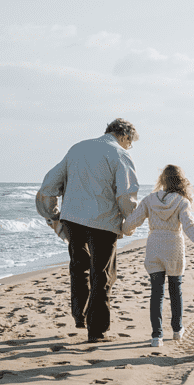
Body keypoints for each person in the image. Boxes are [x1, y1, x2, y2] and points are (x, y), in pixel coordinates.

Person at [36, 118, 140, 342]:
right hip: (103, 221)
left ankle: (80, 315)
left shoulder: (78, 148)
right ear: (125, 136)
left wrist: (53, 214)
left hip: (73, 218)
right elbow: (125, 194)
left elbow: (49, 183)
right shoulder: (120, 154)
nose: (128, 146)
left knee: (79, 267)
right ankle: (97, 329)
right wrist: (129, 222)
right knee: (101, 274)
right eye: (129, 142)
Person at [122, 165, 194, 347]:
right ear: (180, 181)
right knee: (175, 290)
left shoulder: (149, 200)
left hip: (154, 247)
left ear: (162, 180)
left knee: (156, 293)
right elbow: (189, 226)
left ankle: (156, 336)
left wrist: (123, 230)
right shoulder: (182, 202)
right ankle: (177, 331)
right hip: (174, 248)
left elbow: (133, 220)